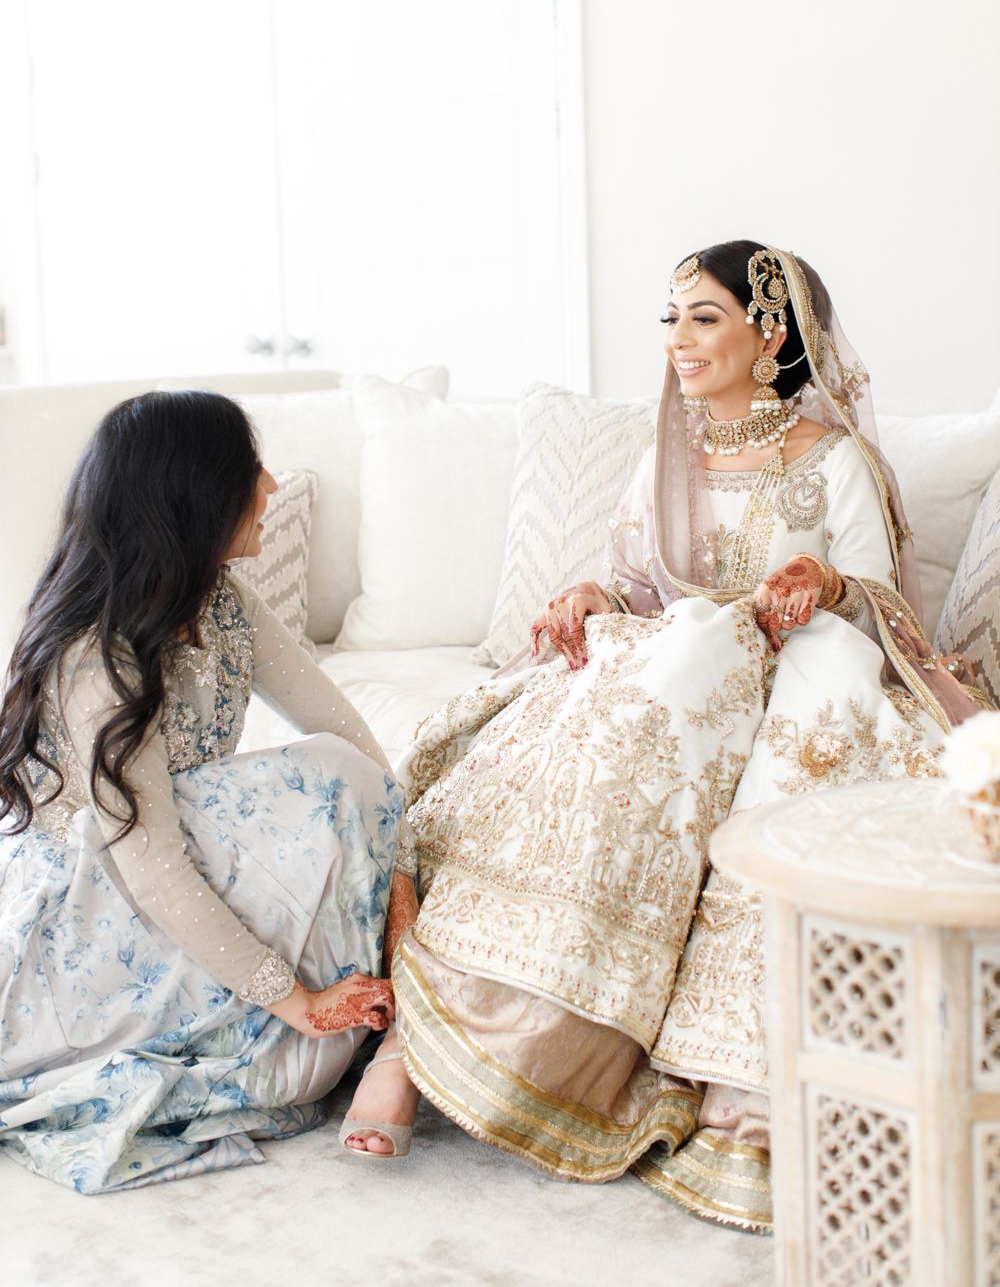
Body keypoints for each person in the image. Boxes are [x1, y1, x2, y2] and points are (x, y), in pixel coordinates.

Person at [390, 242, 984, 1231]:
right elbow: (635, 587)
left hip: (799, 672)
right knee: (650, 680)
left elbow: (883, 608)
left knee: (806, 686)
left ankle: (748, 1094)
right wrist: (590, 595)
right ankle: (524, 1025)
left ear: (772, 332)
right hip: (695, 674)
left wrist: (826, 584)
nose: (678, 339)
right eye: (670, 318)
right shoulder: (670, 457)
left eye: (704, 317)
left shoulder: (835, 459)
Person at [0, 390, 420, 1192]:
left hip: (169, 874)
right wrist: (296, 1002)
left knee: (343, 777)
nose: (271, 487)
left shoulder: (222, 601)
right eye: (250, 471)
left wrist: (396, 868)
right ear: (193, 497)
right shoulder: (97, 656)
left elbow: (348, 736)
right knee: (327, 788)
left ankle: (397, 1036)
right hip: (90, 917)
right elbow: (154, 868)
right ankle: (383, 1037)